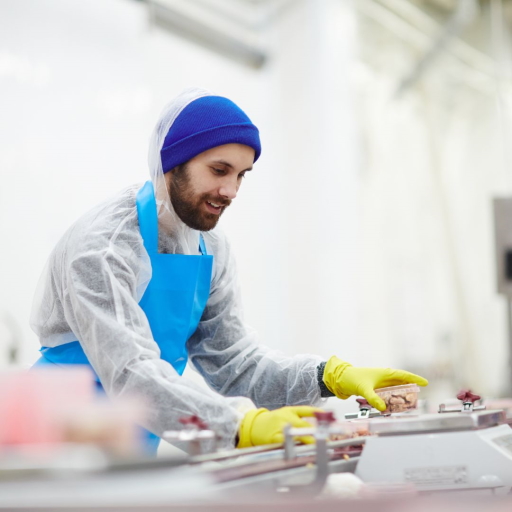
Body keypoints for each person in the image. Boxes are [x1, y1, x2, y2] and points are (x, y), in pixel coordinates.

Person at [30, 88, 428, 455]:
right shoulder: (105, 246)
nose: (231, 191)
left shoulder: (209, 247)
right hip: (55, 442)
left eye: (241, 175)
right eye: (219, 170)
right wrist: (239, 425)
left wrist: (329, 376)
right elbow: (130, 373)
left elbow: (237, 365)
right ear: (174, 162)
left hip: (134, 443)